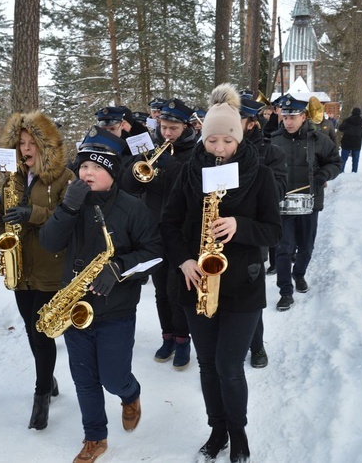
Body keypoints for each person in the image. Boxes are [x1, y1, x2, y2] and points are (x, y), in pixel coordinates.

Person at [160, 84, 282, 463]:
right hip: (196, 283)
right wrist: (183, 260)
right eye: (211, 140)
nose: (217, 149)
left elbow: (274, 230)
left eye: (225, 141)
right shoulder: (188, 172)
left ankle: (239, 433)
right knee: (208, 364)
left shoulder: (259, 175)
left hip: (241, 286)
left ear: (238, 137)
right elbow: (168, 224)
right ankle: (217, 430)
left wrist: (238, 226)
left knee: (230, 366)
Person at [39, 133, 163, 463]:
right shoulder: (72, 202)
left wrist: (120, 267)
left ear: (112, 172)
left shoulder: (132, 208)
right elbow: (50, 243)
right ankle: (95, 437)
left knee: (112, 377)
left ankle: (130, 393)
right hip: (74, 309)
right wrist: (67, 207)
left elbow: (154, 251)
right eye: (83, 166)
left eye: (96, 167)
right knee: (84, 380)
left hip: (116, 310)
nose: (86, 173)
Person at [0, 111, 76, 430]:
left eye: (32, 143)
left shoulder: (64, 177)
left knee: (42, 333)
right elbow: (0, 216)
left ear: (46, 147)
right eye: (22, 143)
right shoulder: (13, 178)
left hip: (50, 266)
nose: (26, 149)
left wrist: (33, 212)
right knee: (31, 332)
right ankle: (49, 378)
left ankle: (41, 395)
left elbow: (67, 218)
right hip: (21, 269)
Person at [121, 98, 197, 370]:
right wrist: (137, 165)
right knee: (161, 291)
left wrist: (172, 166)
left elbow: (195, 188)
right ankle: (167, 336)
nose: (166, 133)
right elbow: (128, 184)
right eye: (164, 127)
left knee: (178, 291)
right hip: (154, 229)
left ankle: (182, 340)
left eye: (173, 128)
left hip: (181, 231)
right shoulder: (148, 145)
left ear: (185, 126)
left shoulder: (196, 152)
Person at [271, 96, 342, 312]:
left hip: (310, 203)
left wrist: (323, 175)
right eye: (285, 117)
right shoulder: (273, 140)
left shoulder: (319, 140)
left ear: (304, 117)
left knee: (306, 247)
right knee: (284, 248)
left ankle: (299, 274)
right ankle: (285, 291)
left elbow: (335, 162)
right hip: (283, 203)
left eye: (293, 117)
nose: (289, 122)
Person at [239, 95, 288, 369]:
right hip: (215, 232)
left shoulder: (271, 153)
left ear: (251, 123)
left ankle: (256, 346)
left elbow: (278, 190)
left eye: (238, 118)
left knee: (250, 293)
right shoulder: (214, 149)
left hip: (252, 233)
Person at [338, 107, 362, 173]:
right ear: (360, 113)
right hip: (357, 143)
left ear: (352, 112)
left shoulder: (347, 121)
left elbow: (340, 128)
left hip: (346, 142)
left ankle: (341, 171)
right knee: (355, 159)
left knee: (343, 158)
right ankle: (354, 172)